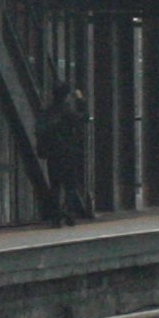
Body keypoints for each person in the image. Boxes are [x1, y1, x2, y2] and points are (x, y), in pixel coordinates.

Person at [38, 83, 93, 224]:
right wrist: (81, 100)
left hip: (52, 154)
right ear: (67, 96)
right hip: (68, 153)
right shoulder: (67, 112)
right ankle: (69, 213)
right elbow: (85, 117)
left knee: (55, 185)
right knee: (70, 185)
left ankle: (55, 216)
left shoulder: (47, 112)